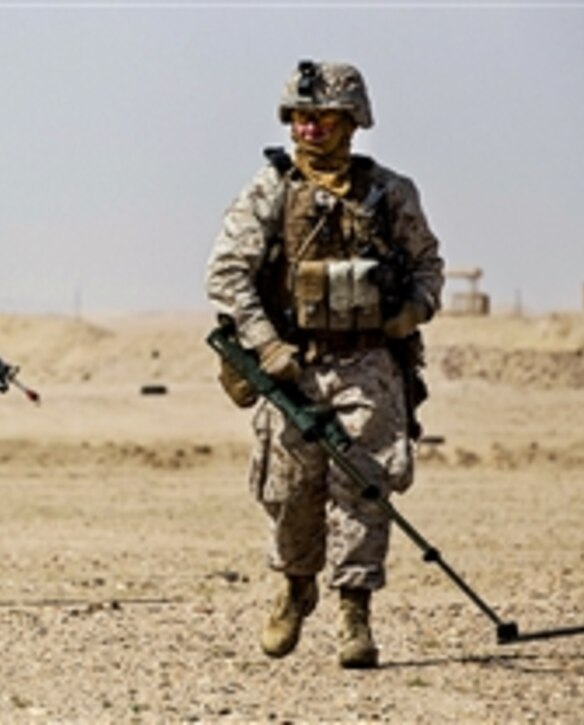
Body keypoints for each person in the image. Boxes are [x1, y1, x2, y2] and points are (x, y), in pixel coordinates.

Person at [205, 60, 444, 668]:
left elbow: (427, 266)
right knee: (289, 490)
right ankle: (294, 585)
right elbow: (227, 275)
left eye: (325, 119)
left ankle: (353, 613)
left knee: (364, 485)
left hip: (368, 364)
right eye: (302, 118)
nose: (311, 130)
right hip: (292, 366)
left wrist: (410, 313)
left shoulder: (390, 193)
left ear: (352, 122)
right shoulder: (268, 192)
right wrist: (266, 345)